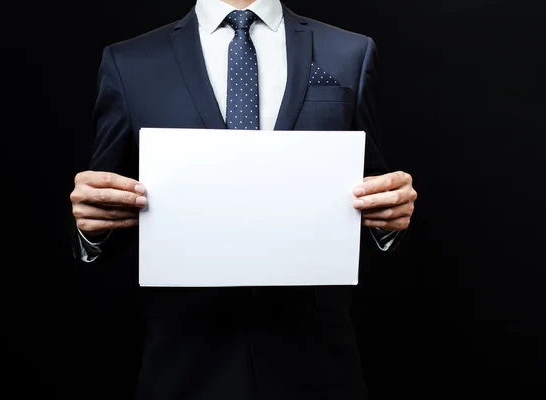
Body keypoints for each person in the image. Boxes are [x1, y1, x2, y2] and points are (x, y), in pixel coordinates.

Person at [69, 0, 417, 398]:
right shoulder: (128, 62)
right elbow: (105, 204)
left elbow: (374, 186)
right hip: (184, 368)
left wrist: (391, 217)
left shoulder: (349, 51)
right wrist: (91, 231)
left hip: (317, 368)